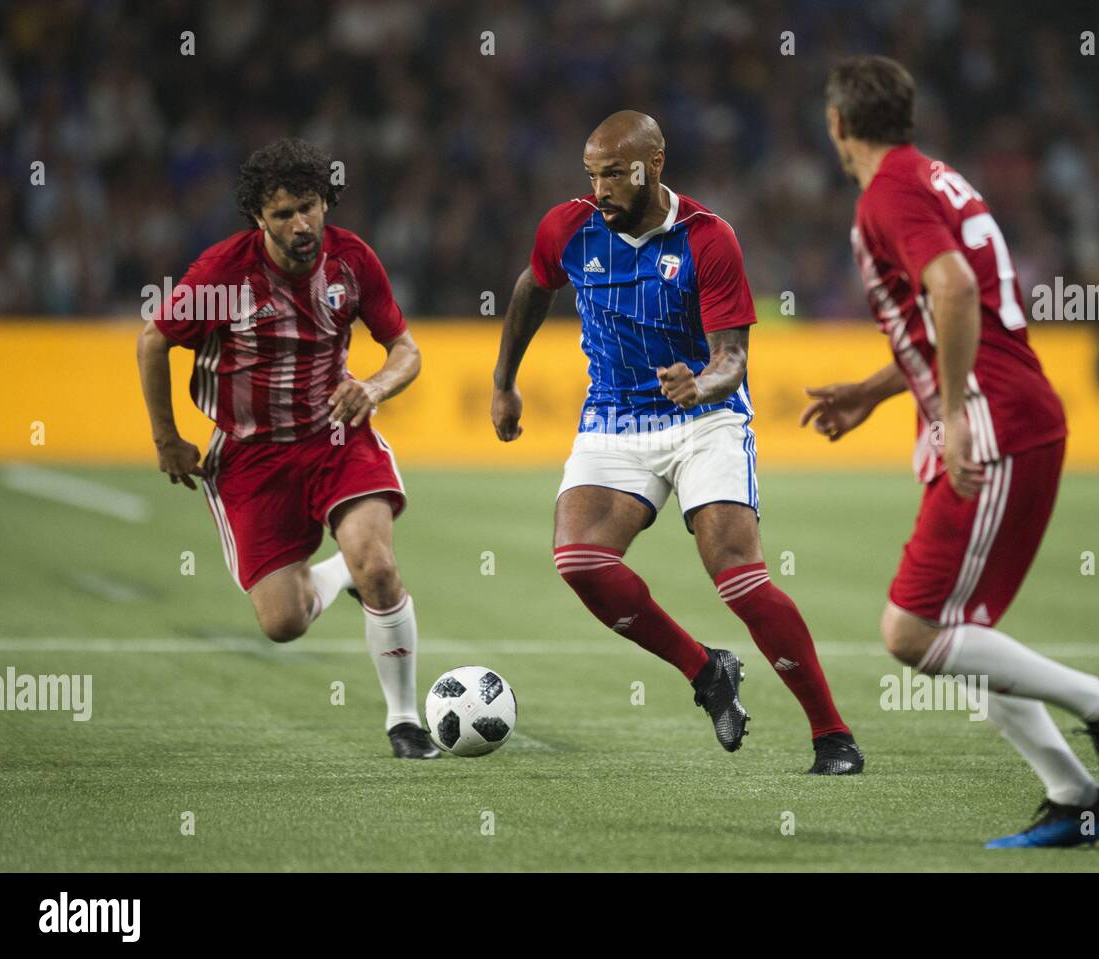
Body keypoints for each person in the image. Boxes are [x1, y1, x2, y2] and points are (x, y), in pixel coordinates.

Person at [805, 56, 1099, 844]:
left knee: (912, 631)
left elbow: (955, 290)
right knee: (963, 634)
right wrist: (876, 389)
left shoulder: (888, 192)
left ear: (836, 124)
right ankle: (1073, 799)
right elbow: (951, 315)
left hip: (995, 423)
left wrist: (957, 411)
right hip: (1008, 413)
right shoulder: (931, 176)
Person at [492, 111, 863, 774]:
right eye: (592, 174)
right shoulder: (567, 228)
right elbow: (531, 285)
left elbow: (733, 359)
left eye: (614, 174)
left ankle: (832, 735)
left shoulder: (708, 238)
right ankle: (706, 671)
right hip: (614, 419)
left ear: (654, 165)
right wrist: (504, 382)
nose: (599, 188)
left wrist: (705, 385)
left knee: (738, 577)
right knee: (580, 561)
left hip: (703, 421)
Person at [135, 138, 439, 760]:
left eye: (308, 206)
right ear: (258, 219)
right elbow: (152, 341)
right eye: (282, 214)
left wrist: (374, 387)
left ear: (326, 201)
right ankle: (336, 576)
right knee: (283, 623)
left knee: (379, 566)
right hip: (251, 457)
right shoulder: (223, 274)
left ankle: (405, 722)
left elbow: (405, 350)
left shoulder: (353, 261)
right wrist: (167, 439)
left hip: (336, 435)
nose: (300, 224)